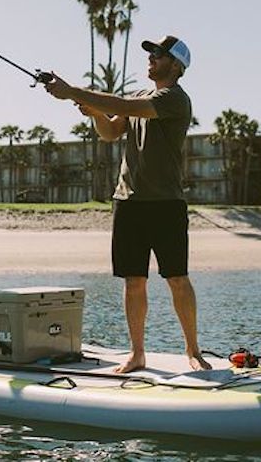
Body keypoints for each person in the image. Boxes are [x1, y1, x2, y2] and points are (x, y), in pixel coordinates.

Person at [45, 36, 212, 373]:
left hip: (166, 203)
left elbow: (122, 106)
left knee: (177, 278)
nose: (151, 57)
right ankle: (137, 354)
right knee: (133, 280)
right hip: (128, 201)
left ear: (177, 66)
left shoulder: (175, 99)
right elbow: (109, 131)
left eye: (159, 54)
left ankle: (192, 351)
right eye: (150, 53)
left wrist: (72, 91)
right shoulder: (139, 96)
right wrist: (93, 113)